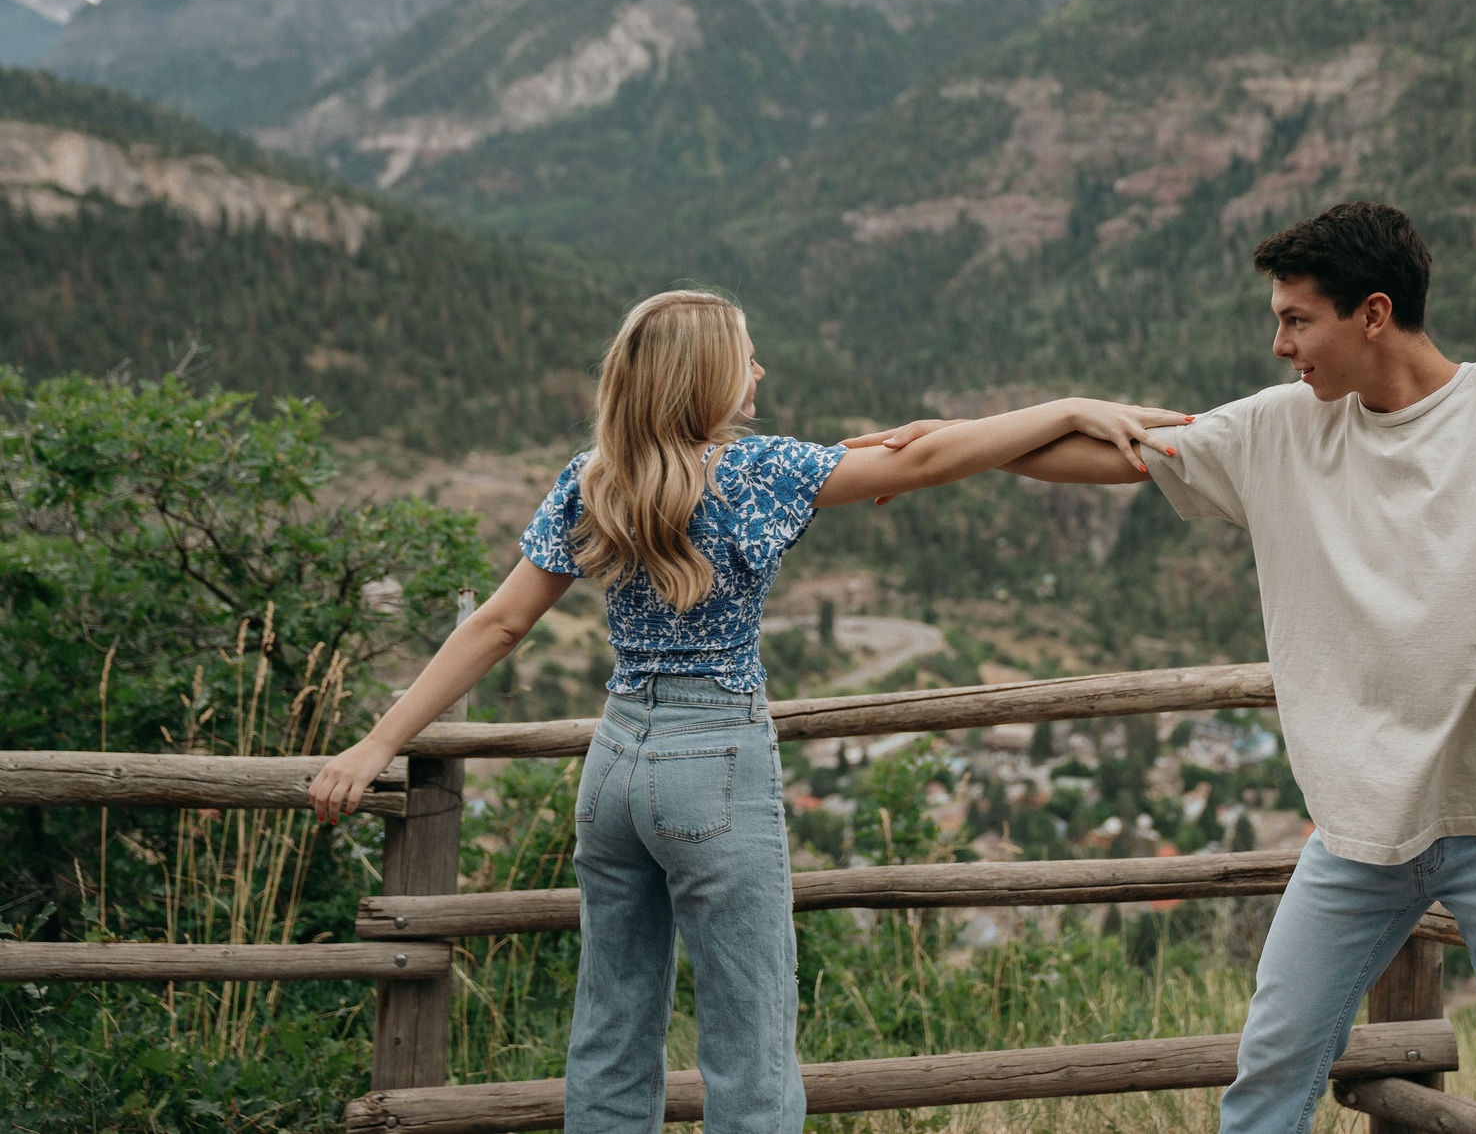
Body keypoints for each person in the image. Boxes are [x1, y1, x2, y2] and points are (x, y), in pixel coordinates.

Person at [859, 201, 1476, 1132]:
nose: (1280, 344)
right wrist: (969, 435)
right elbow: (1104, 456)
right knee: (1267, 1083)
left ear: (1375, 313)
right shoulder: (1280, 429)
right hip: (1358, 832)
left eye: (1296, 318)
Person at [308, 289, 1187, 1134]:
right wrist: (1074, 402)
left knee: (611, 1029)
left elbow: (499, 623)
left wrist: (374, 742)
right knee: (750, 1041)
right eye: (746, 357)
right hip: (714, 763)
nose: (760, 370)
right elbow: (926, 463)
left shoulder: (592, 479)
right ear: (706, 381)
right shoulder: (762, 472)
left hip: (613, 767)